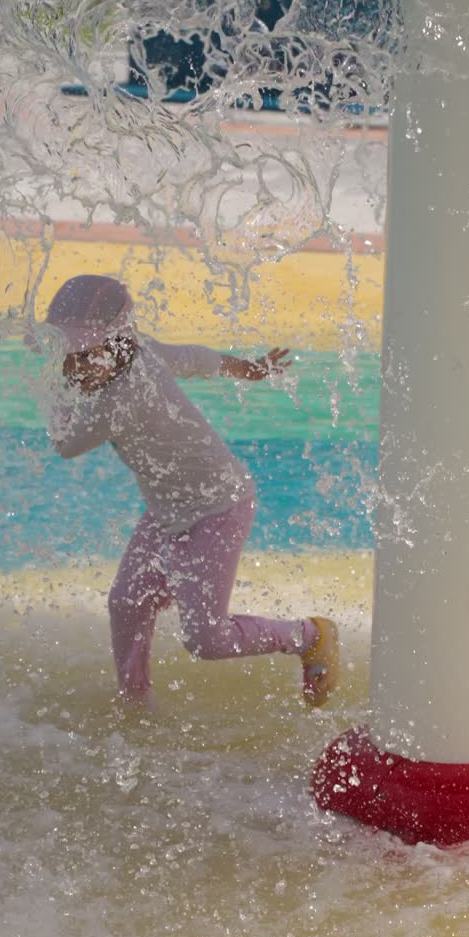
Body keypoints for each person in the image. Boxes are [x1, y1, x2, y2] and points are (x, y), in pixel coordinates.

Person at [42, 273, 339, 706]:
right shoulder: (146, 354)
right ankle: (135, 701)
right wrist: (248, 369)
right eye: (67, 357)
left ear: (120, 344)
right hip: (168, 510)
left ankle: (309, 635)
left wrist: (52, 392)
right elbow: (199, 359)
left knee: (206, 638)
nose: (76, 369)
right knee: (127, 603)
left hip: (219, 507)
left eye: (85, 356)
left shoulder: (120, 399)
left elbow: (66, 444)